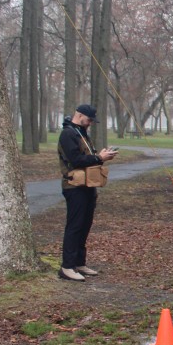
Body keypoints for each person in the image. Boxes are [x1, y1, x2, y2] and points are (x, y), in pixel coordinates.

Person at [58, 104, 117, 282]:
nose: (90, 123)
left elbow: (88, 157)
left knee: (85, 225)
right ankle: (67, 266)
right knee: (75, 226)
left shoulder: (82, 133)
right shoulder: (68, 134)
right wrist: (99, 158)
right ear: (79, 115)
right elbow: (76, 160)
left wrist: (101, 156)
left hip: (89, 185)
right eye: (89, 119)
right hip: (74, 186)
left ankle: (79, 263)